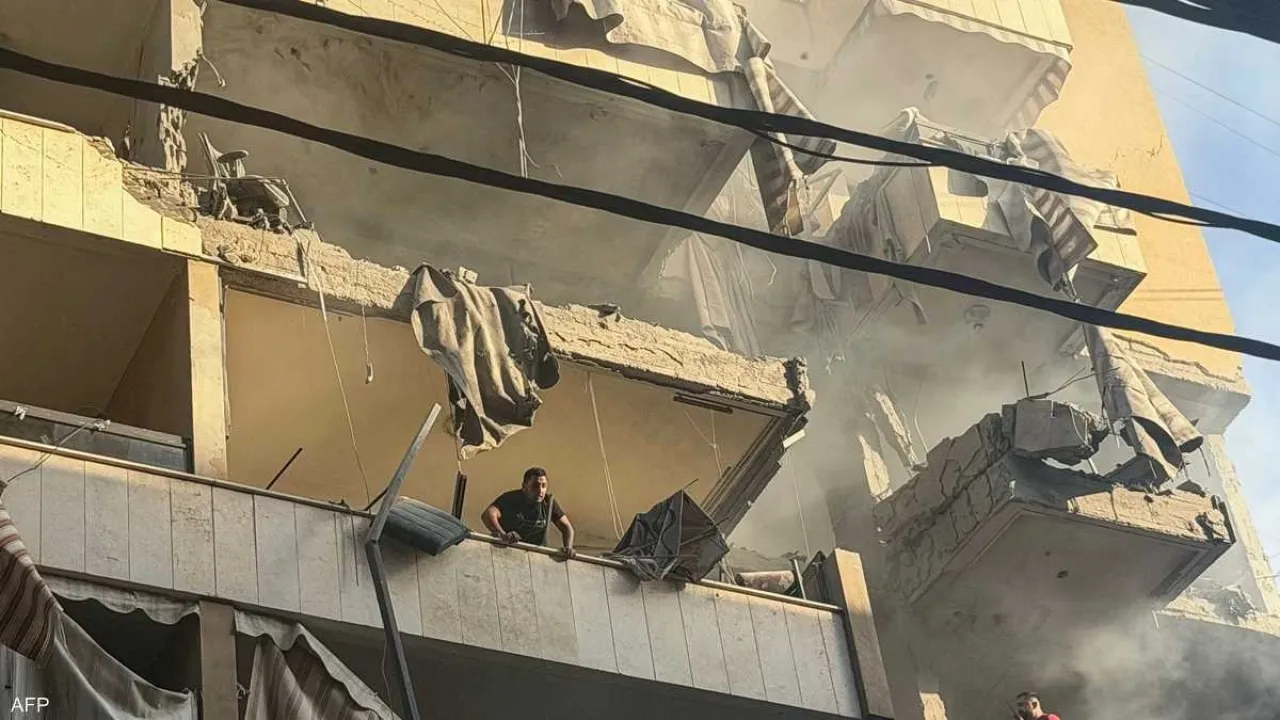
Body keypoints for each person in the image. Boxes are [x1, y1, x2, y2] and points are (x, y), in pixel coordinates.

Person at [481, 467, 576, 558]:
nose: (540, 491)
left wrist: (568, 548)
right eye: (535, 486)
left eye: (544, 486)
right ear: (524, 486)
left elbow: (567, 528)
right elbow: (488, 514)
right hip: (508, 552)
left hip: (536, 556)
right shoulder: (511, 499)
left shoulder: (549, 503)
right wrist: (503, 534)